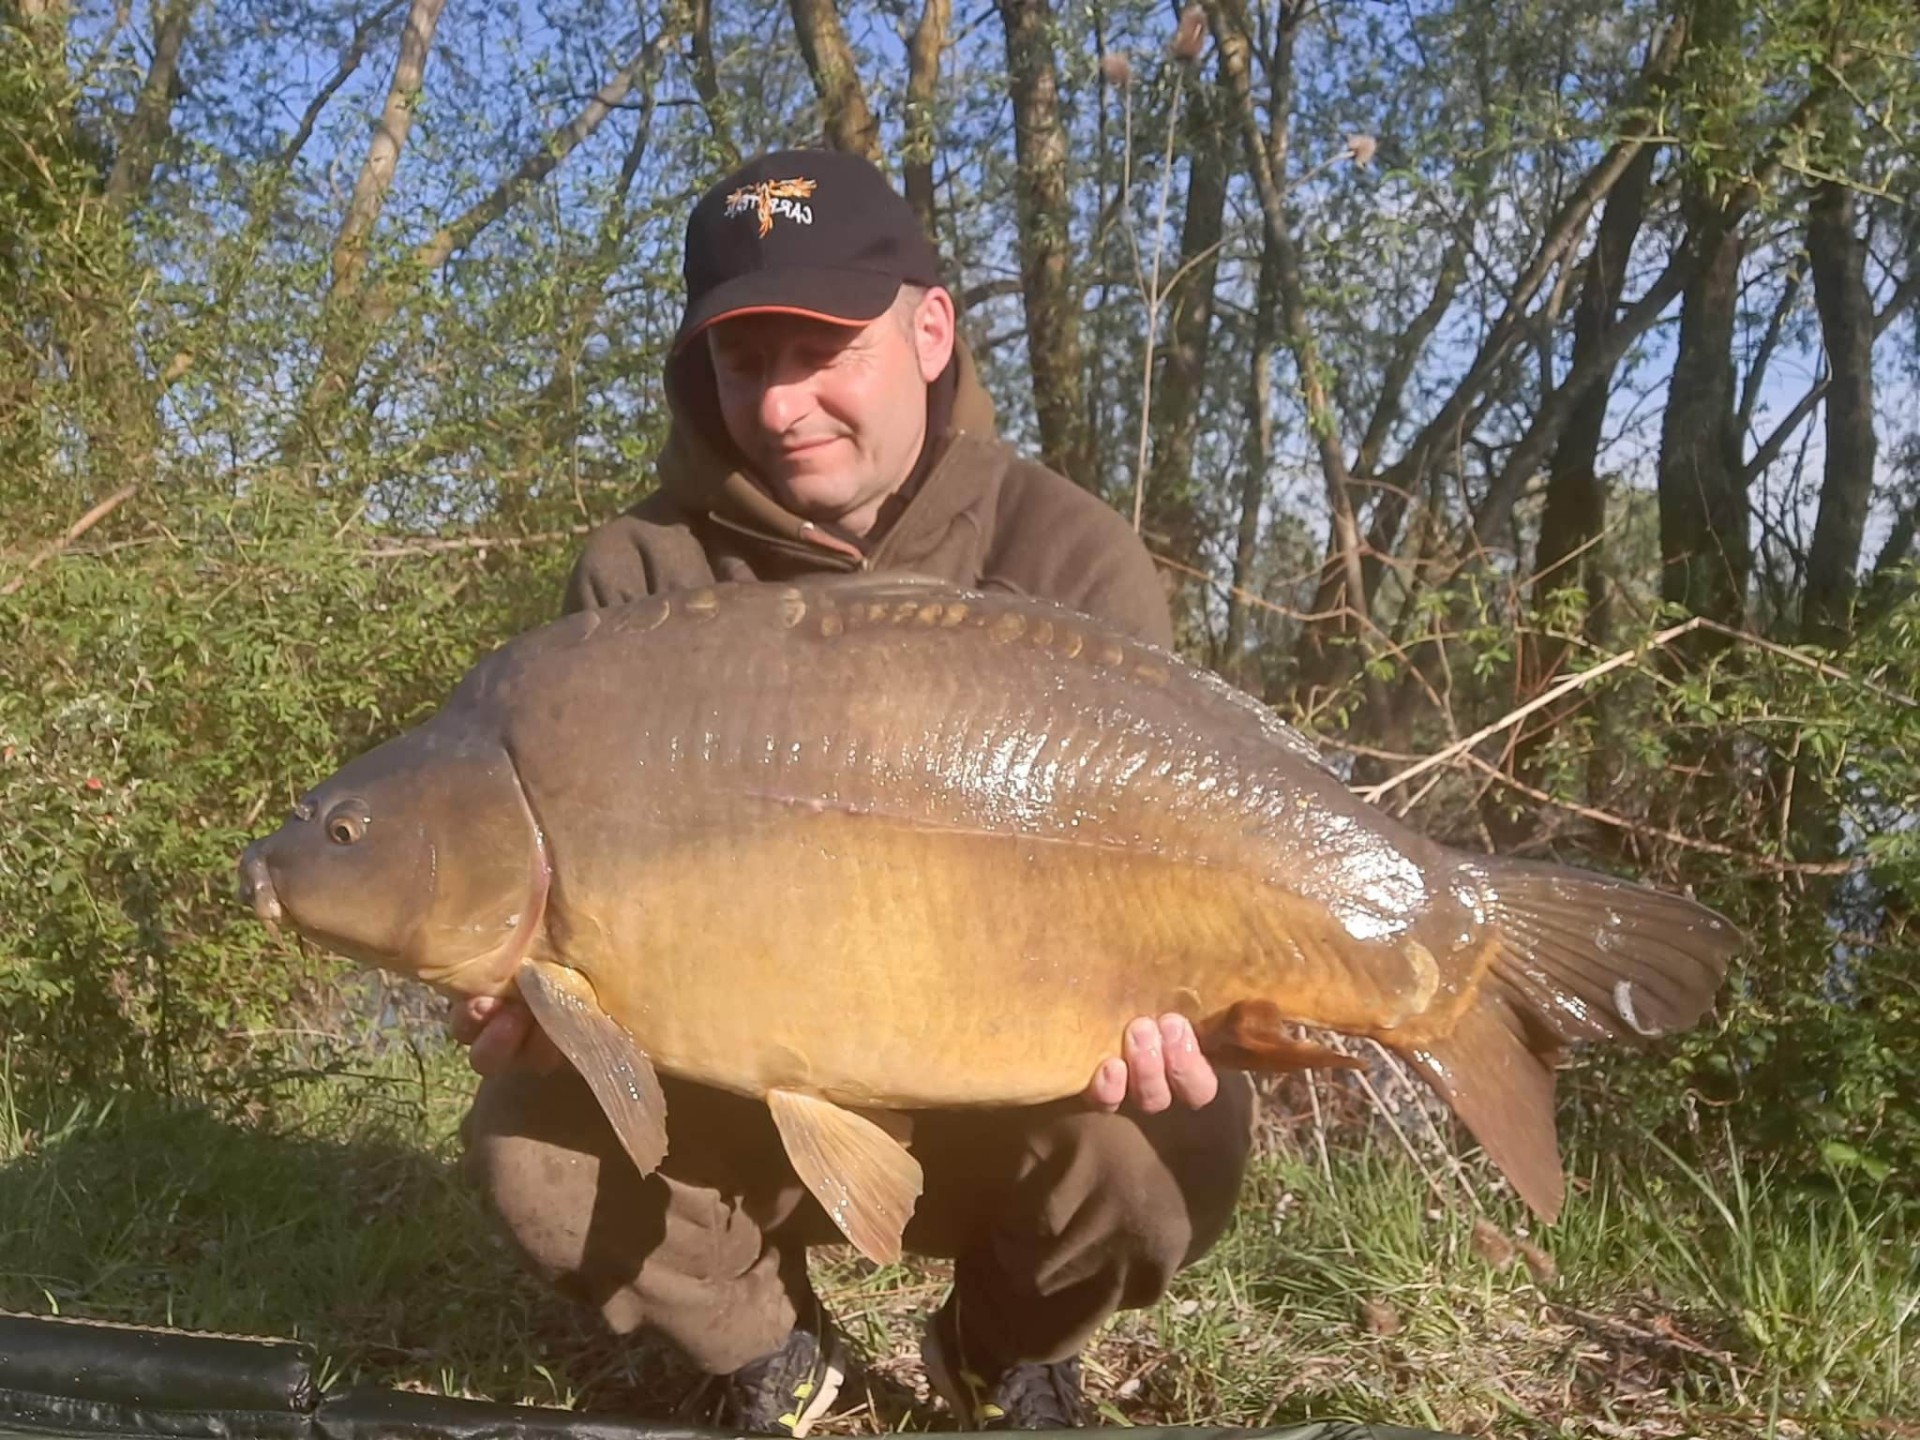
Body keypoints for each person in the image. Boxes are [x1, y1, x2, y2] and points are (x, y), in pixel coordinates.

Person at [451, 149, 1256, 1436]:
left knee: (1174, 1143)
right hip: (746, 1100)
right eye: (745, 361)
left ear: (931, 330)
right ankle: (777, 1361)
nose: (780, 407)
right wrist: (553, 1000)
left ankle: (1002, 1350)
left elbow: (1174, 847)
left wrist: (1178, 998)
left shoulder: (1066, 553)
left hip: (1018, 1090)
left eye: (822, 350)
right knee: (535, 1144)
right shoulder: (641, 577)